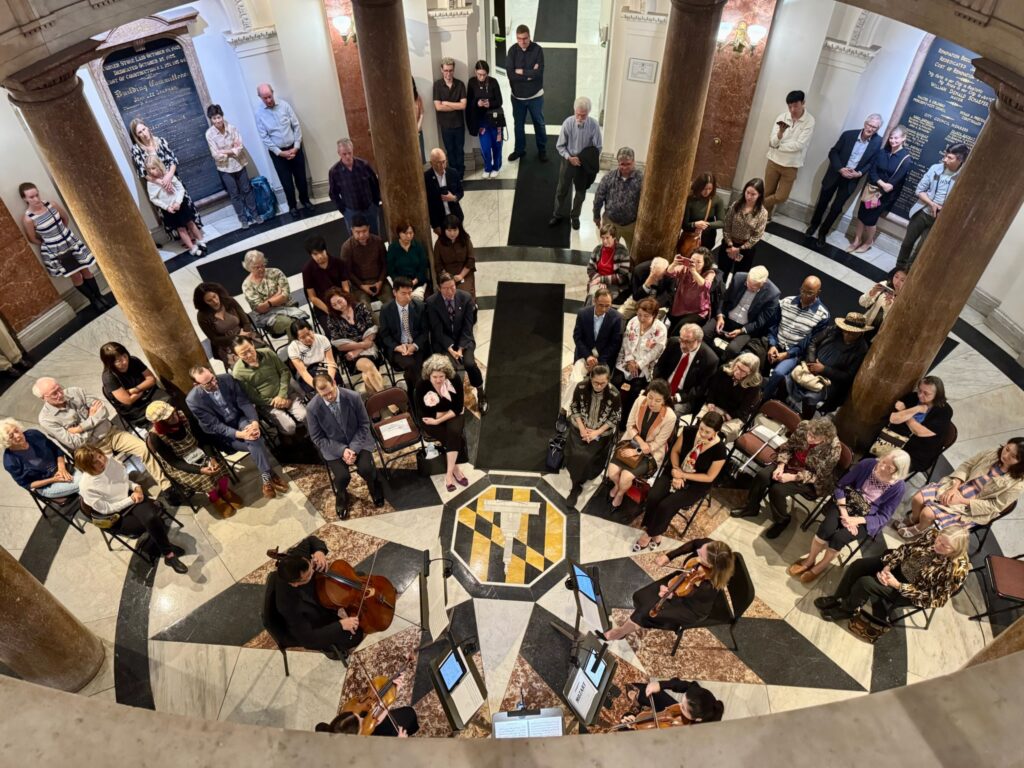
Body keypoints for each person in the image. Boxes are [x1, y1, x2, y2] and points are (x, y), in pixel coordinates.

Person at [34, 377, 171, 494]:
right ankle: (138, 499)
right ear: (43, 398)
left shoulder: (75, 392)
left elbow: (103, 411)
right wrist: (92, 419)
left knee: (144, 448)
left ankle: (168, 488)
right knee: (114, 472)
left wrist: (81, 427)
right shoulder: (47, 419)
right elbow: (75, 443)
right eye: (54, 394)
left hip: (111, 433)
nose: (60, 394)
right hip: (91, 450)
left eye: (59, 388)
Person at [790, 453, 910, 582]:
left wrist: (856, 520)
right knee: (825, 529)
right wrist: (845, 513)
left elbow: (883, 516)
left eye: (889, 468)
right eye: (883, 462)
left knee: (839, 538)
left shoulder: (898, 487)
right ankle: (810, 559)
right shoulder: (868, 464)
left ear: (898, 471)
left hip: (866, 517)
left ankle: (821, 566)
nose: (882, 467)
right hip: (846, 503)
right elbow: (841, 486)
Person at [814, 525, 970, 623]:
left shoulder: (956, 570)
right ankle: (838, 597)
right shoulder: (933, 535)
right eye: (940, 540)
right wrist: (888, 567)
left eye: (945, 546)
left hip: (910, 590)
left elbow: (935, 598)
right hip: (898, 568)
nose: (938, 545)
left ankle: (847, 610)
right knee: (858, 565)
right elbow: (905, 549)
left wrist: (897, 585)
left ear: (956, 550)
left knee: (865, 583)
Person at [75, 444, 187, 573]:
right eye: (95, 462)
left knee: (151, 518)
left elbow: (124, 481)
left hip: (130, 497)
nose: (101, 461)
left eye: (100, 456)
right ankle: (166, 547)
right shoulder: (87, 486)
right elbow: (106, 509)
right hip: (115, 515)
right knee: (149, 522)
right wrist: (131, 499)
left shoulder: (109, 461)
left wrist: (135, 487)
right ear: (87, 467)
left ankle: (168, 555)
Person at [600, 538, 735, 641]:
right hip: (684, 579)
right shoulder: (708, 546)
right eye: (701, 550)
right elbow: (695, 544)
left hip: (690, 607)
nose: (698, 552)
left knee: (646, 611)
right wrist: (669, 556)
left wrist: (671, 595)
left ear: (710, 565)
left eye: (701, 555)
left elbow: (689, 596)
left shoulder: (708, 588)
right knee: (640, 596)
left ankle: (620, 632)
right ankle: (634, 623)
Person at [186, 366, 287, 500]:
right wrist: (242, 435)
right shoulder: (193, 401)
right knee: (256, 441)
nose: (214, 383)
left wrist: (254, 422)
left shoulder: (226, 379)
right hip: (223, 434)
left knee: (253, 439)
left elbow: (244, 403)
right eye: (208, 383)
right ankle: (269, 474)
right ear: (197, 385)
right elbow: (216, 426)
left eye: (213, 378)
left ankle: (266, 480)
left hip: (239, 419)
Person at [731, 418, 842, 538]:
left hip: (809, 478)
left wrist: (793, 477)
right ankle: (751, 507)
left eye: (814, 438)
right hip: (791, 463)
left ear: (824, 438)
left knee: (778, 490)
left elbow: (819, 475)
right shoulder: (804, 426)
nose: (809, 438)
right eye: (809, 434)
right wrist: (780, 465)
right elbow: (787, 448)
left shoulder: (833, 448)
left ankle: (782, 520)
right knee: (762, 476)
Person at [633, 411, 727, 551]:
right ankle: (656, 532)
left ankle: (650, 533)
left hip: (695, 484)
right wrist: (677, 472)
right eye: (701, 428)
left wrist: (683, 476)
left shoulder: (720, 450)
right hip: (675, 470)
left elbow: (709, 477)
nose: (702, 433)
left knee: (666, 505)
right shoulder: (689, 431)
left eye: (707, 432)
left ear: (716, 432)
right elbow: (675, 451)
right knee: (654, 495)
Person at [897, 439, 1024, 539]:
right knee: (917, 499)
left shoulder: (1017, 484)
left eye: (1013, 456)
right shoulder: (992, 453)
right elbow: (967, 466)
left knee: (927, 513)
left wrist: (962, 500)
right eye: (1007, 449)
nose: (1006, 455)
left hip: (971, 506)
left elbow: (995, 506)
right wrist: (954, 487)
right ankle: (914, 519)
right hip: (960, 486)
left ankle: (919, 528)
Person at [19, 182, 109, 311]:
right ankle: (93, 300)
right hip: (57, 250)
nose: (36, 199)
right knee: (76, 276)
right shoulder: (28, 219)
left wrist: (63, 234)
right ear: (24, 199)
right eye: (31, 197)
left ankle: (100, 296)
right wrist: (50, 242)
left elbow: (65, 218)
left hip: (70, 241)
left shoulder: (52, 205)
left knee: (86, 270)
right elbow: (32, 238)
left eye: (36, 195)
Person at [144, 401, 243, 518]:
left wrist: (211, 457)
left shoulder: (184, 417)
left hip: (198, 450)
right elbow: (174, 462)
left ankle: (224, 491)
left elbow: (202, 439)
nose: (174, 417)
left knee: (219, 466)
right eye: (169, 418)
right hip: (181, 464)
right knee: (205, 477)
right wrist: (200, 470)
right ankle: (215, 499)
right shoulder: (156, 437)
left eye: (173, 413)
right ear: (160, 423)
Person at [270, 535, 364, 655]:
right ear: (294, 584)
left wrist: (319, 552)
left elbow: (311, 540)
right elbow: (308, 639)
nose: (314, 571)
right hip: (316, 615)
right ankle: (329, 650)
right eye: (308, 575)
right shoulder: (287, 604)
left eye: (310, 565)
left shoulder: (297, 557)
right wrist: (340, 625)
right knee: (356, 635)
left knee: (356, 578)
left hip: (322, 590)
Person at [307, 374, 385, 518]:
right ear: (317, 392)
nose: (329, 397)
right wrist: (342, 450)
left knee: (366, 469)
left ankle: (374, 486)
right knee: (342, 477)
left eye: (331, 392)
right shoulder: (312, 408)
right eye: (324, 395)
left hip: (358, 441)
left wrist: (353, 449)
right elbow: (317, 437)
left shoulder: (353, 397)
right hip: (333, 447)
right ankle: (341, 494)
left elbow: (364, 424)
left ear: (334, 383)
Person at [805, 114, 883, 248]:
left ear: (877, 129)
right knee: (823, 202)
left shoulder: (877, 142)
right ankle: (814, 225)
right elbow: (833, 152)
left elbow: (872, 162)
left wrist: (859, 173)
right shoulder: (848, 135)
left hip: (852, 179)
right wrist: (840, 168)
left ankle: (823, 232)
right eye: (869, 125)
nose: (870, 129)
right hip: (835, 173)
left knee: (836, 208)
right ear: (865, 123)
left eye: (874, 127)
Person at [897, 143, 968, 271]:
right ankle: (898, 271)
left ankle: (908, 274)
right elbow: (919, 190)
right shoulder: (936, 168)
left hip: (939, 219)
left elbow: (963, 202)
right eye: (945, 156)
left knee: (921, 249)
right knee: (907, 243)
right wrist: (932, 204)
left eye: (950, 158)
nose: (945, 159)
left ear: (960, 160)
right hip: (922, 212)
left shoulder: (965, 176)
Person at [128, 118, 204, 239]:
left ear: (148, 128)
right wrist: (161, 182)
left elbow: (173, 160)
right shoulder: (137, 150)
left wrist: (168, 177)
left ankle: (195, 235)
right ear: (136, 136)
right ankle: (183, 239)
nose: (144, 133)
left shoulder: (161, 141)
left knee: (184, 207)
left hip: (173, 179)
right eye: (139, 132)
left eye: (144, 129)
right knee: (171, 214)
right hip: (158, 187)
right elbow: (143, 173)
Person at [785, 312, 869, 419]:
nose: (847, 334)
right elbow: (813, 343)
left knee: (811, 397)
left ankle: (803, 421)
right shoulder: (832, 331)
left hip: (829, 380)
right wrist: (811, 362)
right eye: (846, 330)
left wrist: (824, 369)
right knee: (786, 380)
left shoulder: (861, 349)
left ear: (860, 333)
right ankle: (780, 410)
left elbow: (848, 376)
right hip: (810, 366)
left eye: (852, 333)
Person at [607, 380, 677, 509]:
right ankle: (617, 486)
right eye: (650, 397)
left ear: (664, 401)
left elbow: (658, 443)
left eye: (657, 400)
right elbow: (630, 425)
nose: (652, 403)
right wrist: (639, 442)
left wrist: (637, 451)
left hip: (650, 452)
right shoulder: (640, 400)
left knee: (625, 477)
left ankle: (621, 493)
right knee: (611, 473)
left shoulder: (670, 417)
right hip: (631, 442)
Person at [425, 272, 487, 413]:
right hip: (443, 343)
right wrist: (450, 348)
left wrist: (460, 348)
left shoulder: (464, 298)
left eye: (452, 286)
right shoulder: (432, 302)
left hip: (463, 340)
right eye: (446, 288)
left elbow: (468, 326)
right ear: (439, 288)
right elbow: (437, 330)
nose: (450, 291)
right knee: (449, 367)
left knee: (470, 364)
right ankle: (454, 398)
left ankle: (481, 392)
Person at [760, 276, 830, 397]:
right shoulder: (786, 301)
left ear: (818, 293)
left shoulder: (823, 315)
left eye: (810, 293)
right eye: (803, 290)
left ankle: (761, 400)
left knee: (778, 373)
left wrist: (787, 354)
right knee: (753, 358)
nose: (804, 295)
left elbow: (809, 342)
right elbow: (773, 325)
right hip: (775, 344)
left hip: (794, 353)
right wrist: (772, 344)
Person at [848, 125, 911, 253]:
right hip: (871, 190)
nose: (893, 141)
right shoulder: (883, 152)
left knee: (870, 219)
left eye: (896, 138)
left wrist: (883, 185)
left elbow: (893, 184)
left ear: (904, 138)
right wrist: (881, 182)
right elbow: (872, 170)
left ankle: (868, 242)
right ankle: (857, 240)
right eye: (891, 138)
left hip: (883, 196)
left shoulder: (906, 159)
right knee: (861, 215)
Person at [564, 366, 621, 506]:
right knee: (576, 453)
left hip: (600, 433)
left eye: (603, 383)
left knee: (586, 457)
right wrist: (583, 429)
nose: (599, 386)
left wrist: (596, 432)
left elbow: (615, 417)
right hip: (580, 428)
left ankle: (579, 482)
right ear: (591, 378)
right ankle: (576, 485)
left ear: (608, 381)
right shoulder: (582, 386)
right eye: (596, 382)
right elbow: (574, 407)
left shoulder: (614, 394)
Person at [255, 83, 313, 218]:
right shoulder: (259, 114)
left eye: (269, 96)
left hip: (294, 148)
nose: (268, 100)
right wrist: (280, 152)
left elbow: (296, 125)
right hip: (278, 154)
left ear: (273, 93)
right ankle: (292, 206)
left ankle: (305, 201)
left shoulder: (284, 106)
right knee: (286, 182)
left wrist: (296, 147)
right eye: (265, 98)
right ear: (260, 98)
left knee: (301, 178)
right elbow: (264, 137)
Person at [560, 288, 623, 413]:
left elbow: (615, 344)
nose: (604, 309)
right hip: (585, 354)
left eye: (608, 306)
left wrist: (599, 361)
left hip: (603, 358)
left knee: (600, 384)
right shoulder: (583, 313)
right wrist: (588, 356)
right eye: (601, 305)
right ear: (594, 301)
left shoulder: (617, 318)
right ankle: (564, 411)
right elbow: (577, 337)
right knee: (575, 380)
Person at [876, 377, 953, 475]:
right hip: (895, 439)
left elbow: (919, 432)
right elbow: (893, 419)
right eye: (919, 390)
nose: (920, 395)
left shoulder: (944, 411)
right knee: (872, 459)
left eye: (926, 393)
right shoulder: (912, 397)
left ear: (937, 394)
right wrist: (917, 409)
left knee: (887, 468)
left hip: (917, 452)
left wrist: (905, 412)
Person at [232, 337, 308, 435]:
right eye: (244, 354)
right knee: (289, 428)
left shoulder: (267, 353)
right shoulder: (238, 373)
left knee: (304, 415)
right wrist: (276, 402)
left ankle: (315, 437)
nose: (249, 355)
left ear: (253, 344)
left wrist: (282, 396)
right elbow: (253, 396)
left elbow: (284, 371)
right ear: (237, 356)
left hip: (286, 393)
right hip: (268, 404)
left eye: (250, 350)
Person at [415, 355, 469, 492]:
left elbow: (458, 407)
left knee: (454, 433)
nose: (438, 380)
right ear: (429, 375)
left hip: (450, 415)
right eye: (435, 377)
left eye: (441, 376)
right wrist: (440, 414)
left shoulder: (454, 379)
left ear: (447, 374)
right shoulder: (422, 384)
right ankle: (456, 468)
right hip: (429, 419)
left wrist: (439, 419)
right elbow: (423, 412)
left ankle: (449, 475)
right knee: (454, 438)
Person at [706, 266, 781, 362]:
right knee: (704, 333)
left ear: (763, 283)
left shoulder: (772, 294)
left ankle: (719, 365)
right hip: (726, 318)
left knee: (732, 350)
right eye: (748, 283)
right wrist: (720, 316)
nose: (749, 287)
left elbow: (760, 322)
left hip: (746, 327)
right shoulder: (739, 277)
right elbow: (724, 298)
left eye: (753, 287)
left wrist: (741, 330)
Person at [613, 298, 667, 430]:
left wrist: (638, 364)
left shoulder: (660, 329)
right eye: (639, 315)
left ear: (654, 315)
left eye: (646, 316)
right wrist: (630, 359)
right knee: (615, 386)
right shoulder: (633, 321)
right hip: (626, 361)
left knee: (634, 393)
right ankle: (611, 416)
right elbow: (626, 340)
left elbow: (655, 351)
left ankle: (624, 422)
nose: (641, 318)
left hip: (644, 366)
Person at [321, 288, 387, 396]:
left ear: (345, 296)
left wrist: (358, 349)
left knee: (367, 376)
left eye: (339, 301)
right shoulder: (332, 318)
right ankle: (390, 402)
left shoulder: (360, 307)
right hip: (351, 356)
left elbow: (372, 331)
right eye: (334, 305)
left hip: (370, 349)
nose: (339, 306)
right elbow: (340, 345)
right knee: (369, 368)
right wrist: (361, 346)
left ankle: (377, 405)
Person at [549, 96, 602, 230]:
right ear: (574, 110)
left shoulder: (594, 125)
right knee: (562, 190)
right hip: (568, 161)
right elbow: (560, 146)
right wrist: (569, 157)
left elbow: (598, 148)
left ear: (588, 113)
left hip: (583, 165)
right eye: (577, 114)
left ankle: (575, 217)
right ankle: (557, 214)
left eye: (583, 115)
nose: (579, 117)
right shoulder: (567, 123)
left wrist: (585, 159)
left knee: (580, 194)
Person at [205, 104, 261, 229]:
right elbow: (216, 155)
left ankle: (255, 214)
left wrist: (224, 151)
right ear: (211, 119)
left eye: (218, 117)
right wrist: (231, 151)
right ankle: (243, 219)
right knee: (234, 194)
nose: (217, 121)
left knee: (246, 189)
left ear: (222, 116)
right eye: (214, 118)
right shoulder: (209, 134)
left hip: (239, 164)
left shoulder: (232, 128)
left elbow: (239, 148)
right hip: (224, 168)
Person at [763, 90, 816, 219]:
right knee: (768, 191)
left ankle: (757, 203)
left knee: (782, 196)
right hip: (773, 161)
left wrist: (778, 145)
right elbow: (772, 141)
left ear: (803, 103)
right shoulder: (782, 117)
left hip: (791, 165)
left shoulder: (809, 121)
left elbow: (799, 145)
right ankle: (765, 216)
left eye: (796, 106)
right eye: (790, 106)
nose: (792, 109)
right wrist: (779, 137)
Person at [2, 419, 81, 499]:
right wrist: (54, 479)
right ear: (6, 442)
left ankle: (87, 508)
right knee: (84, 483)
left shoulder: (33, 434)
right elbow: (27, 484)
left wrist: (62, 468)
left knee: (87, 481)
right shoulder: (10, 462)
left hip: (63, 470)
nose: (17, 435)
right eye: (11, 436)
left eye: (16, 431)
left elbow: (56, 450)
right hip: (47, 486)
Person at [144, 156, 206, 256]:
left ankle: (201, 241)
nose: (151, 172)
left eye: (153, 168)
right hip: (169, 210)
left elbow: (181, 189)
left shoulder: (169, 176)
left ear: (159, 166)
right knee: (181, 229)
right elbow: (153, 198)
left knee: (191, 223)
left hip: (181, 205)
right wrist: (167, 207)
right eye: (148, 169)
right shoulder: (151, 183)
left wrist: (178, 202)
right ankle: (192, 248)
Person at [654, 324, 719, 419]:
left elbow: (700, 388)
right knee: (644, 402)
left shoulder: (710, 359)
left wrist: (677, 398)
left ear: (699, 341)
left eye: (688, 342)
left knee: (667, 415)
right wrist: (657, 386)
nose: (683, 345)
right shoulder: (673, 343)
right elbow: (659, 367)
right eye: (682, 340)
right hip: (663, 385)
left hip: (685, 397)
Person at [99, 342, 172, 425]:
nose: (125, 361)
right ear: (110, 363)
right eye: (119, 361)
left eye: (125, 356)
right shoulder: (109, 377)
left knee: (168, 402)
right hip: (134, 408)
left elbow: (151, 379)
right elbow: (128, 400)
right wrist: (143, 388)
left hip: (149, 394)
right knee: (156, 419)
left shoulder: (133, 360)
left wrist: (133, 390)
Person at [194, 282, 261, 368]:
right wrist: (236, 337)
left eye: (214, 296)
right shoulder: (202, 316)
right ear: (203, 302)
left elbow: (246, 321)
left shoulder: (229, 301)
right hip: (225, 344)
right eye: (209, 300)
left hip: (245, 334)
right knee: (242, 366)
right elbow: (214, 339)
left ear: (218, 293)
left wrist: (245, 332)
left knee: (263, 353)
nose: (214, 301)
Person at [506, 25, 547, 162]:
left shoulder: (537, 50)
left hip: (535, 96)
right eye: (519, 39)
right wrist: (529, 74)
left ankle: (542, 150)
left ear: (530, 37)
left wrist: (521, 71)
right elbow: (511, 75)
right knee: (518, 125)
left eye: (525, 38)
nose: (522, 42)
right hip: (517, 98)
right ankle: (519, 150)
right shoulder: (512, 51)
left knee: (539, 123)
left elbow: (539, 73)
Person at [379, 277, 429, 390]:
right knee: (412, 366)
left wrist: (414, 346)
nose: (408, 297)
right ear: (394, 292)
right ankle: (421, 397)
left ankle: (413, 401)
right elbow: (385, 335)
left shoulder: (419, 307)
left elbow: (425, 331)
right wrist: (397, 347)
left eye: (410, 293)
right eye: (403, 293)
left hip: (417, 345)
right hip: (398, 347)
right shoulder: (386, 309)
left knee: (412, 369)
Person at [241, 249, 306, 335]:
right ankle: (297, 347)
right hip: (268, 316)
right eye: (257, 267)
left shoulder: (275, 272)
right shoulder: (247, 285)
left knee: (302, 325)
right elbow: (260, 309)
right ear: (249, 268)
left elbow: (285, 296)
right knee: (291, 324)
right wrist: (277, 295)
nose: (261, 269)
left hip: (289, 307)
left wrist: (266, 302)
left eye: (262, 265)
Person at [700, 354, 762, 442]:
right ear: (735, 362)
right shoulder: (724, 370)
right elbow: (712, 389)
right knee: (702, 424)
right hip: (715, 406)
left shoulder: (754, 386)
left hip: (734, 416)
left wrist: (724, 417)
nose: (738, 372)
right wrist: (710, 402)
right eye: (738, 367)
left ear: (750, 373)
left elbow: (743, 410)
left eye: (743, 371)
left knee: (718, 436)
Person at [328, 138, 382, 236]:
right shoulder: (334, 172)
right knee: (356, 239)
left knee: (375, 236)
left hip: (370, 208)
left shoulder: (364, 165)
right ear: (339, 153)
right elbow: (333, 193)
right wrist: (343, 210)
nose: (348, 156)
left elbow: (374, 184)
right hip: (351, 211)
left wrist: (375, 203)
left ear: (353, 151)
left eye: (350, 153)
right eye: (344, 154)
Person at [717, 178, 767, 284]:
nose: (749, 196)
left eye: (753, 194)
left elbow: (757, 235)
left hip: (746, 249)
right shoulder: (736, 205)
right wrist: (731, 245)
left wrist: (739, 249)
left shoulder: (762, 213)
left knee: (739, 278)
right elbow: (727, 225)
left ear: (759, 195)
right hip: (728, 244)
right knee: (722, 273)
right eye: (747, 192)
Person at [592, 147, 644, 250]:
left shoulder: (641, 179)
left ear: (633, 162)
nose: (624, 167)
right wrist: (596, 216)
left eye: (628, 164)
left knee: (633, 252)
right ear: (618, 162)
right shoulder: (608, 177)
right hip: (611, 222)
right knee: (608, 251)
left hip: (632, 224)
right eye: (622, 164)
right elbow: (598, 198)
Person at [340, 215, 392, 307]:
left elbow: (385, 264)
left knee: (392, 305)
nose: (361, 235)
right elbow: (347, 272)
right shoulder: (347, 247)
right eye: (357, 232)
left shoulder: (378, 241)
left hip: (379, 280)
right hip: (359, 285)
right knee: (364, 310)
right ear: (352, 230)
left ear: (369, 228)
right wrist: (361, 285)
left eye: (364, 231)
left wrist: (380, 281)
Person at [621, 679, 723, 725]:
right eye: (682, 702)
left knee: (627, 721)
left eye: (683, 707)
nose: (678, 705)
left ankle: (637, 713)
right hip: (674, 716)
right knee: (647, 691)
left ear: (698, 719)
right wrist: (661, 685)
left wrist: (635, 725)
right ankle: (640, 704)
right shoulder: (700, 695)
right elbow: (687, 685)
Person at [315, 692, 419, 737]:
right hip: (383, 741)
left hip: (374, 729)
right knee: (409, 715)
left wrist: (389, 701)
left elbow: (373, 720)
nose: (362, 717)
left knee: (407, 712)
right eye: (360, 720)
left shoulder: (341, 728)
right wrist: (399, 743)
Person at [466, 60, 503, 178]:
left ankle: (496, 166)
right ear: (475, 72)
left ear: (487, 73)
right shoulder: (472, 82)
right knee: (486, 147)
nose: (481, 77)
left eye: (484, 74)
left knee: (497, 146)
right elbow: (469, 101)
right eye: (479, 74)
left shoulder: (493, 82)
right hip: (481, 120)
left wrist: (489, 104)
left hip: (495, 120)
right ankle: (487, 167)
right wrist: (477, 103)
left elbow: (500, 101)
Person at [666, 247, 716, 333]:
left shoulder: (709, 273)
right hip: (679, 308)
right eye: (692, 260)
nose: (694, 263)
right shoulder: (684, 268)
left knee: (679, 330)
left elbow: (705, 286)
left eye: (699, 262)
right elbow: (669, 273)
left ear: (705, 264)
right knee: (671, 331)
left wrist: (693, 271)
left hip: (698, 312)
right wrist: (674, 264)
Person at [301, 235, 349, 325]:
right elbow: (312, 297)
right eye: (315, 254)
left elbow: (345, 287)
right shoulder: (307, 270)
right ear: (311, 255)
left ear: (325, 249)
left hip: (342, 300)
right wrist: (330, 311)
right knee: (334, 333)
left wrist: (343, 303)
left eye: (321, 252)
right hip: (323, 306)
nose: (319, 256)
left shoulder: (338, 263)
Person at [433, 57, 468, 179]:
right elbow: (438, 107)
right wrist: (456, 105)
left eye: (451, 70)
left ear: (454, 70)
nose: (448, 73)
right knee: (450, 150)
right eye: (446, 70)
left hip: (459, 124)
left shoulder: (460, 84)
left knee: (459, 150)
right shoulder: (437, 85)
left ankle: (461, 173)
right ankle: (453, 174)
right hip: (445, 125)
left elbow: (463, 105)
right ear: (441, 70)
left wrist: (446, 102)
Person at [288, 318, 340, 393]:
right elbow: (303, 372)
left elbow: (331, 362)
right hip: (308, 371)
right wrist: (317, 386)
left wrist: (330, 380)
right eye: (302, 337)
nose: (308, 338)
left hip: (324, 366)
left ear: (311, 330)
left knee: (336, 380)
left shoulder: (322, 339)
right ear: (297, 339)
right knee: (314, 389)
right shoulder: (293, 348)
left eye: (308, 333)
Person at [681, 173, 727, 252]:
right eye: (704, 188)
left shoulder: (717, 200)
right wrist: (695, 224)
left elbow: (722, 222)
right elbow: (684, 225)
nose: (707, 192)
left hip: (707, 238)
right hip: (691, 237)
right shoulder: (690, 199)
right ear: (699, 187)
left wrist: (706, 224)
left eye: (710, 189)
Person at [433, 215, 477, 298]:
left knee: (463, 294)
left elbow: (471, 260)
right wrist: (448, 277)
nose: (452, 233)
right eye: (449, 230)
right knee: (448, 293)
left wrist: (461, 276)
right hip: (446, 276)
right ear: (444, 230)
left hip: (464, 274)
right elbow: (438, 264)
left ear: (459, 229)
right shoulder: (439, 243)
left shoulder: (465, 239)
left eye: (455, 230)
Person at [620, 257, 674, 322]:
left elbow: (669, 295)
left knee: (651, 321)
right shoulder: (639, 270)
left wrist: (653, 304)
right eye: (655, 275)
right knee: (620, 314)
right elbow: (636, 296)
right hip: (638, 300)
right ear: (651, 268)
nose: (657, 278)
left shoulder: (670, 274)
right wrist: (647, 283)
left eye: (660, 275)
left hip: (658, 303)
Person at [386, 221, 431, 300]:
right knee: (403, 301)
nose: (408, 236)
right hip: (400, 284)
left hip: (417, 283)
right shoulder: (393, 248)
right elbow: (391, 270)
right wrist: (402, 283)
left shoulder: (418, 247)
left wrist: (414, 281)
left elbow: (422, 267)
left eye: (411, 233)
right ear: (399, 233)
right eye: (405, 233)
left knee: (416, 300)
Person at [586, 223, 630, 301]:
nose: (604, 241)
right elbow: (590, 268)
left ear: (614, 237)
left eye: (607, 237)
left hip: (614, 284)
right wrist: (599, 280)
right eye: (602, 238)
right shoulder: (597, 249)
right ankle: (588, 313)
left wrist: (602, 279)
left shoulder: (623, 252)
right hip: (598, 281)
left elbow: (622, 277)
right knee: (592, 296)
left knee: (603, 299)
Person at [425, 148, 465, 231]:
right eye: (438, 163)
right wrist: (435, 225)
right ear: (431, 163)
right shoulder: (426, 178)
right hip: (440, 221)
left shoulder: (453, 173)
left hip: (456, 217)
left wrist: (454, 198)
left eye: (444, 161)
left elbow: (460, 192)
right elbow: (428, 204)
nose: (442, 165)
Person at [858, 267, 906, 332]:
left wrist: (889, 304)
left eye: (902, 280)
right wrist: (872, 292)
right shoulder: (885, 284)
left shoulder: (905, 298)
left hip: (882, 333)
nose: (897, 282)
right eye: (896, 276)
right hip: (866, 325)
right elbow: (862, 303)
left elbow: (891, 322)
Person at [412, 78, 426, 165]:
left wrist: (418, 127)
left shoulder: (417, 97)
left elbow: (421, 113)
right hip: (407, 134)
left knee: (420, 157)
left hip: (418, 131)